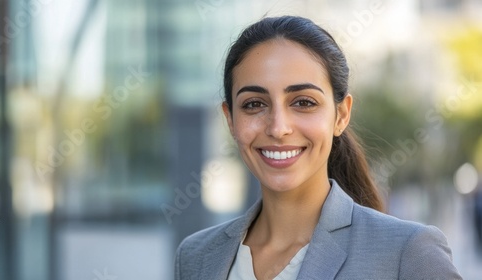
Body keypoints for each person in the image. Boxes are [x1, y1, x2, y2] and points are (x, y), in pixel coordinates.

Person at [174, 15, 462, 279]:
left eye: (303, 102)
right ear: (230, 119)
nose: (278, 127)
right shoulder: (196, 256)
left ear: (341, 115)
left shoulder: (407, 252)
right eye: (254, 104)